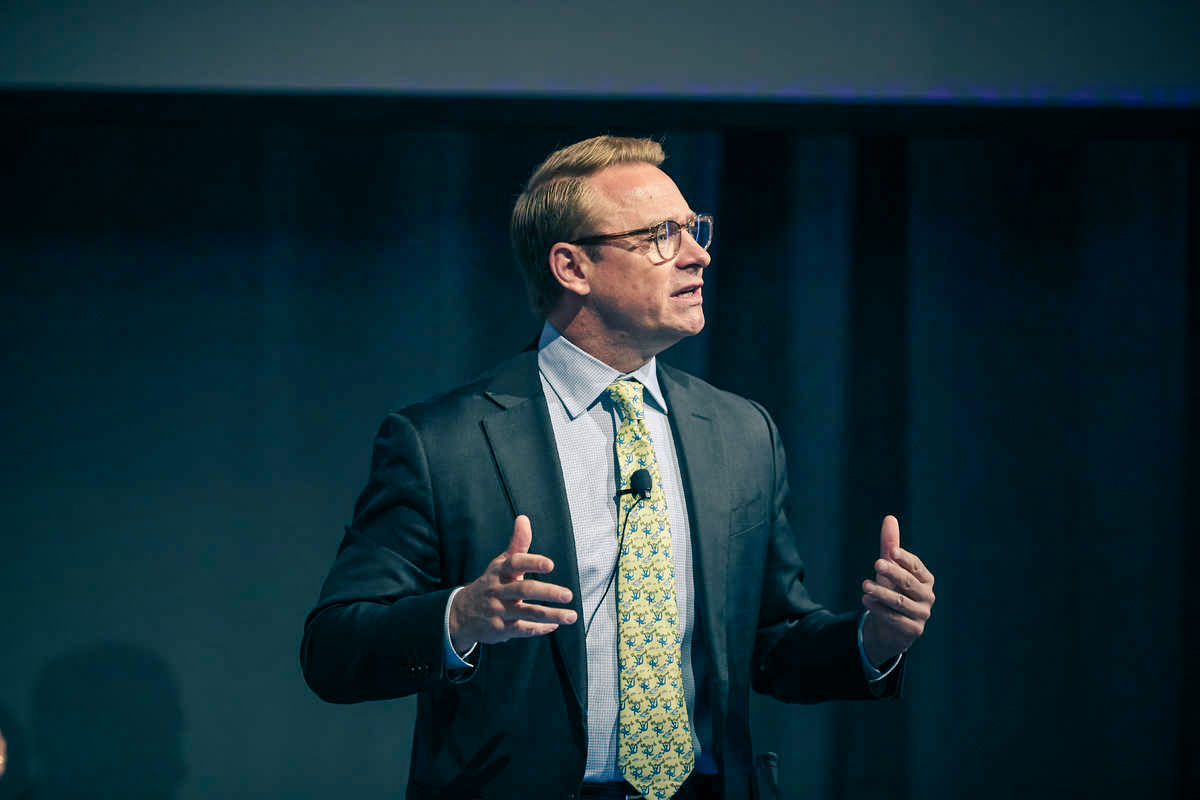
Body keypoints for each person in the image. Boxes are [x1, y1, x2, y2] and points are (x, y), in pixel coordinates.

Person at [300, 135, 935, 800]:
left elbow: (772, 641)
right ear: (573, 267)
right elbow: (334, 652)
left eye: (694, 229)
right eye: (662, 234)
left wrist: (872, 638)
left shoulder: (742, 433)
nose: (699, 254)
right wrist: (458, 616)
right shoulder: (442, 442)